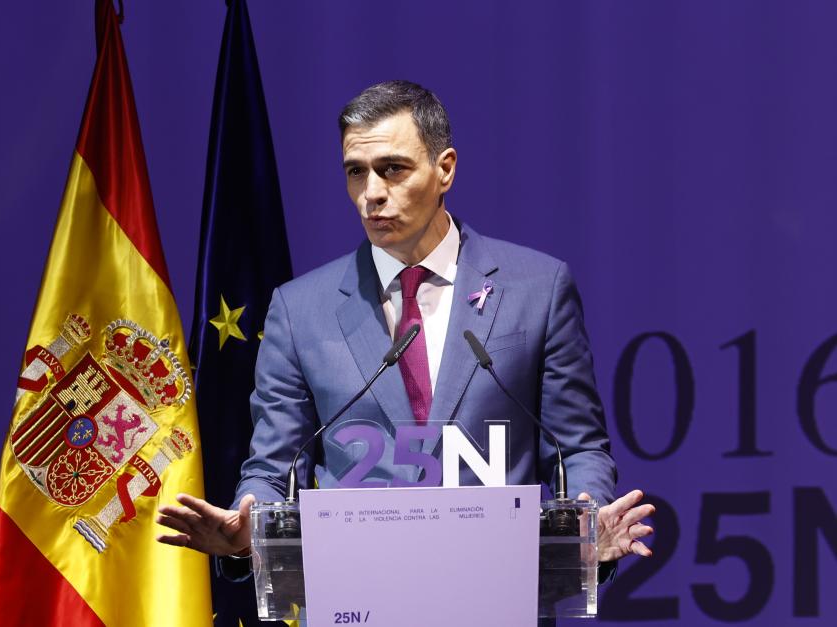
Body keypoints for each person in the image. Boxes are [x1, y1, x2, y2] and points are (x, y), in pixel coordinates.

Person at [156, 80, 654, 570]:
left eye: (392, 169)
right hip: (354, 594)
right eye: (356, 172)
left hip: (497, 589)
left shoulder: (537, 289)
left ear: (445, 169)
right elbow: (274, 465)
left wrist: (587, 518)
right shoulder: (298, 309)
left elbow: (576, 447)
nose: (371, 193)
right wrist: (250, 522)